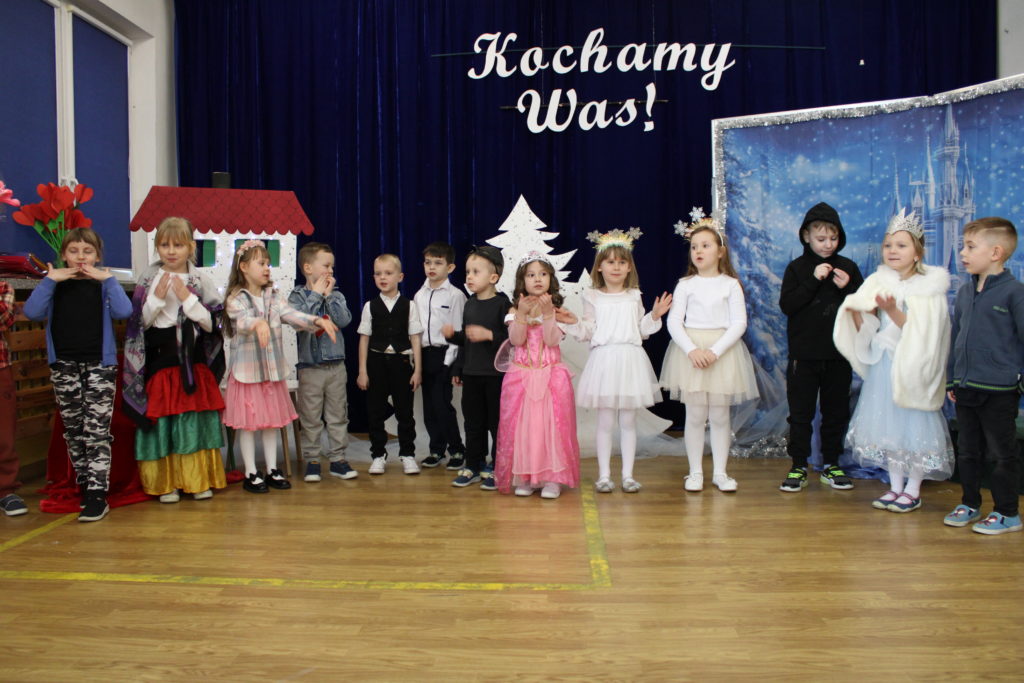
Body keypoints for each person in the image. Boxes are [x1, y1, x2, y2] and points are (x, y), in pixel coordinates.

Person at [834, 210, 953, 513]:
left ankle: (913, 489)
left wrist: (892, 310)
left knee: (913, 427)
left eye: (901, 245)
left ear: (917, 252)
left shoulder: (929, 288)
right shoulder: (878, 281)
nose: (893, 251)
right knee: (889, 427)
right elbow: (868, 325)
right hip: (885, 365)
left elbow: (925, 333)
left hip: (912, 367)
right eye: (888, 245)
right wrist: (859, 316)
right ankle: (895, 486)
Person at [23, 228, 133, 521]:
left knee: (97, 430)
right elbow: (32, 312)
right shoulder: (56, 285)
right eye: (74, 251)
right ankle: (84, 484)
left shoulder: (103, 284)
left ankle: (98, 493)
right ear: (64, 255)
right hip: (64, 366)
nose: (81, 257)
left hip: (99, 366)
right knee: (74, 429)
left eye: (87, 251)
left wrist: (108, 280)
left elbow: (124, 311)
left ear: (97, 256)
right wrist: (49, 280)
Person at [123, 217, 226, 503]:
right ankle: (166, 483)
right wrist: (156, 300)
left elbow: (214, 324)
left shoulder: (200, 280)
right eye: (164, 245)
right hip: (162, 361)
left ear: (190, 247)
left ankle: (196, 479)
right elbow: (138, 325)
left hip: (193, 362)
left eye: (178, 245)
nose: (171, 251)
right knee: (163, 420)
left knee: (193, 419)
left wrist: (188, 300)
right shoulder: (148, 279)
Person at [559, 229, 670, 493]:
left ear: (629, 266)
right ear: (600, 267)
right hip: (605, 361)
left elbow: (640, 330)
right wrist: (574, 321)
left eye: (622, 262)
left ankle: (628, 475)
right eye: (610, 262)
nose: (616, 267)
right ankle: (604, 475)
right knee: (606, 422)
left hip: (630, 360)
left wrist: (654, 316)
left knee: (629, 421)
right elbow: (589, 330)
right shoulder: (592, 296)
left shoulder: (634, 295)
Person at [223, 239, 339, 493]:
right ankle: (251, 472)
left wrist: (317, 321)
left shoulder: (273, 296)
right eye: (261, 263)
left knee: (271, 423)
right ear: (244, 267)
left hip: (272, 372)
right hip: (247, 374)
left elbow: (292, 316)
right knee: (248, 425)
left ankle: (272, 468)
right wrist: (257, 323)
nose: (267, 268)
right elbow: (241, 321)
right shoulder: (236, 298)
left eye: (268, 263)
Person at [660, 211, 759, 493]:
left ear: (720, 251)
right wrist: (692, 350)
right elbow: (674, 322)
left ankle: (720, 472)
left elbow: (739, 323)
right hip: (691, 354)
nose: (698, 251)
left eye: (705, 245)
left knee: (719, 416)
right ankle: (694, 472)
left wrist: (714, 352)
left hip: (722, 354)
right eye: (694, 247)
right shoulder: (685, 285)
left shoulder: (730, 284)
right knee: (694, 416)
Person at [945, 217, 1024, 534]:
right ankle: (970, 503)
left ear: (996, 253)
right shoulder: (965, 292)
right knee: (968, 451)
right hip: (966, 388)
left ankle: (1007, 513)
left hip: (999, 391)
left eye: (970, 247)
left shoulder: (1015, 293)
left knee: (1001, 454)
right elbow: (956, 338)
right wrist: (953, 378)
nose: (963, 253)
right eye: (963, 246)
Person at [778, 203, 864, 492]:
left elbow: (864, 308)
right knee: (800, 414)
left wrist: (848, 288)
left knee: (836, 412)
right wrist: (813, 281)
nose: (828, 244)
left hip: (839, 355)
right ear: (806, 237)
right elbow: (788, 305)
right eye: (821, 239)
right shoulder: (797, 268)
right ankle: (798, 465)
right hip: (803, 356)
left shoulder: (848, 268)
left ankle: (831, 464)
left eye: (833, 238)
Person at [494, 252, 580, 499]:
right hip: (522, 378)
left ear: (551, 278)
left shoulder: (557, 310)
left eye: (543, 274)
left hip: (550, 377)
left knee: (551, 428)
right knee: (525, 429)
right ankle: (527, 477)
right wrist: (521, 315)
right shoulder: (515, 309)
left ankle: (552, 479)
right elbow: (516, 340)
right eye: (531, 275)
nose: (538, 279)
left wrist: (549, 314)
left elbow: (551, 340)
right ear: (522, 281)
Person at [442, 245, 510, 491]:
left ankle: (497, 467)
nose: (469, 277)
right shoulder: (470, 304)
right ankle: (473, 464)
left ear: (493, 277)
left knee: (496, 424)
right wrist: (454, 340)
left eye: (475, 272)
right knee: (473, 423)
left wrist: (489, 334)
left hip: (495, 376)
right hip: (471, 374)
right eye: (467, 272)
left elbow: (512, 341)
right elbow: (467, 340)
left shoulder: (503, 305)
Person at [288, 242, 356, 483]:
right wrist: (316, 295)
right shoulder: (297, 296)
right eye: (326, 265)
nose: (330, 271)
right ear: (308, 268)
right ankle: (313, 460)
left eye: (332, 267)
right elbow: (299, 322)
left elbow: (343, 320)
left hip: (336, 365)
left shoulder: (337, 294)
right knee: (310, 417)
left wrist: (329, 296)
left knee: (338, 415)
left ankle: (338, 459)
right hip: (310, 367)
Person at [356, 254, 423, 475]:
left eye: (388, 273)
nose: (382, 277)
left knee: (405, 412)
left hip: (401, 362)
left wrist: (418, 369)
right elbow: (364, 339)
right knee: (375, 411)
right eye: (378, 274)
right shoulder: (370, 306)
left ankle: (408, 454)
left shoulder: (409, 305)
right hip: (376, 362)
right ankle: (378, 454)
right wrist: (362, 371)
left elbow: (415, 338)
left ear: (400, 277)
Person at [413, 242, 466, 470]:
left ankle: (457, 449)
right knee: (429, 408)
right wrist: (416, 359)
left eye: (438, 263)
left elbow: (457, 331)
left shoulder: (456, 296)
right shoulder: (419, 294)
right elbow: (416, 330)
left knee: (442, 405)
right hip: (424, 354)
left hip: (445, 355)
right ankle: (436, 449)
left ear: (450, 267)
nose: (431, 267)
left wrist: (449, 363)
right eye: (428, 262)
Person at [0, 277, 28, 517]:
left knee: (4, 431)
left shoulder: (3, 286)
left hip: (0, 368)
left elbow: (5, 318)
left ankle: (5, 489)